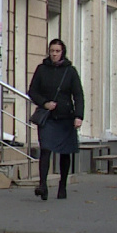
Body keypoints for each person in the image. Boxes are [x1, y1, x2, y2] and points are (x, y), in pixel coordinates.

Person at [28, 38, 84, 201]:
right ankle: (43, 185)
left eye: (57, 51)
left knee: (65, 153)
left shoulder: (70, 71)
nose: (54, 54)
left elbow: (78, 95)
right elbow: (32, 91)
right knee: (45, 149)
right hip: (49, 118)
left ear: (62, 52)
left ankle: (63, 185)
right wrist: (44, 103)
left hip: (66, 117)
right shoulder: (42, 69)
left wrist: (79, 116)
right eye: (52, 51)